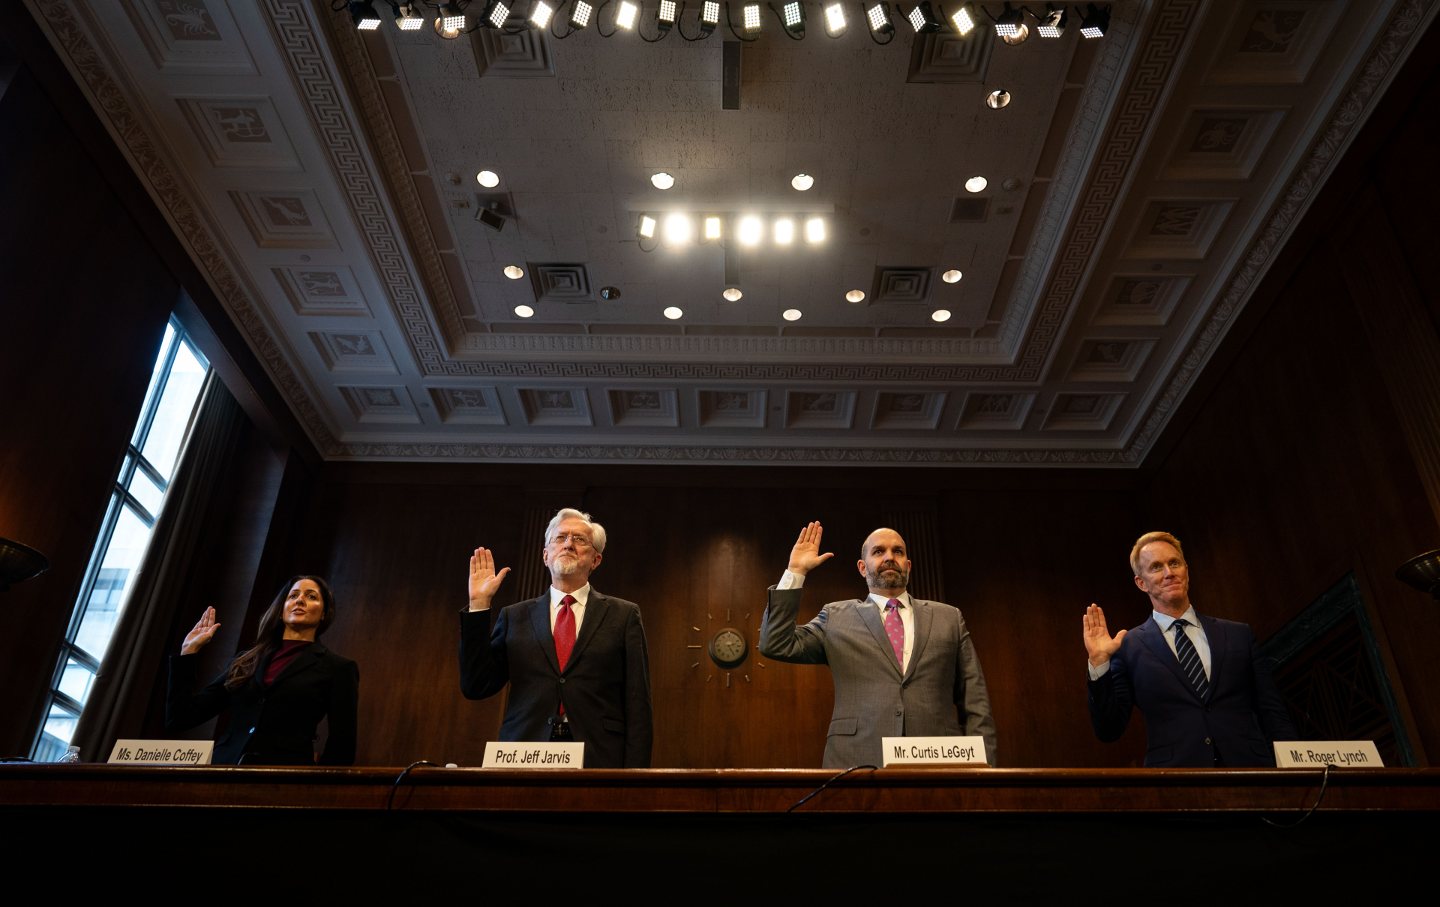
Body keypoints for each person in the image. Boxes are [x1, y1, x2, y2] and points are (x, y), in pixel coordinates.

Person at [759, 521, 997, 768]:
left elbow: (975, 701)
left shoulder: (949, 618)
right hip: (857, 761)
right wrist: (796, 571)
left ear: (908, 565)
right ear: (862, 568)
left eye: (898, 552)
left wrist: (986, 772)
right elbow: (775, 643)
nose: (889, 557)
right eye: (878, 551)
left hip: (940, 763)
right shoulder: (836, 617)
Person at [1083, 530, 1298, 767]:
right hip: (1177, 782)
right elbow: (1109, 729)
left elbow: (1272, 711)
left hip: (1249, 771)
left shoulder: (1238, 635)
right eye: (1156, 567)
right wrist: (1099, 662)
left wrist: (1293, 774)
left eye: (1174, 563)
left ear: (1186, 570)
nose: (1169, 573)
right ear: (1141, 583)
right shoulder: (1129, 647)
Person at [459, 507, 652, 768]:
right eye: (560, 538)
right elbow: (476, 685)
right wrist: (479, 605)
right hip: (522, 755)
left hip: (599, 758)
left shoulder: (624, 616)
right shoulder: (515, 616)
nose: (569, 544)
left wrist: (636, 780)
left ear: (596, 560)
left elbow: (638, 703)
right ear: (545, 555)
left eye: (580, 539)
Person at [167, 575, 359, 765]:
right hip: (224, 770)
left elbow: (342, 745)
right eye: (293, 596)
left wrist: (315, 790)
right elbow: (182, 717)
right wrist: (188, 652)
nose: (300, 600)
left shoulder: (338, 668)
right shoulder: (246, 661)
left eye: (311, 596)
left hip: (284, 782)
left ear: (324, 613)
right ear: (281, 610)